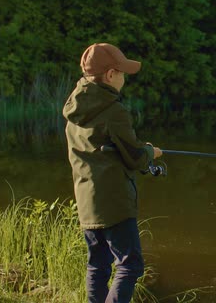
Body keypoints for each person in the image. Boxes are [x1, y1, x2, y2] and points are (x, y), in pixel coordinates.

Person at [63, 43, 162, 303]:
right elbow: (137, 159)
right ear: (110, 75)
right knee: (130, 266)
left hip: (87, 203)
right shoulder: (114, 111)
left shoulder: (74, 111)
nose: (124, 78)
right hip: (115, 204)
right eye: (122, 73)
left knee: (98, 266)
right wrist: (152, 152)